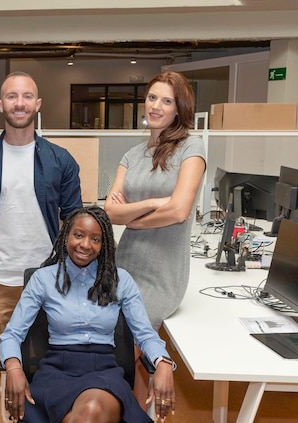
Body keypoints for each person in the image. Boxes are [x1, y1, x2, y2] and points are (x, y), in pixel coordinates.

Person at [0, 71, 83, 423]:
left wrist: (71, 272)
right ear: (1, 104)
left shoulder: (60, 160)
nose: (19, 103)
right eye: (12, 97)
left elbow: (74, 220)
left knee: (44, 359)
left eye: (27, 96)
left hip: (46, 279)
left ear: (37, 104)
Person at [0, 206, 176, 423]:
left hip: (103, 372)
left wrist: (163, 363)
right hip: (57, 371)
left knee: (90, 410)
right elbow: (11, 334)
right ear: (66, 237)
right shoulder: (43, 279)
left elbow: (145, 334)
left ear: (103, 245)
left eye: (95, 239)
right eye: (79, 235)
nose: (85, 245)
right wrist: (14, 367)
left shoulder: (120, 280)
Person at [104, 70, 206, 404]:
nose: (156, 106)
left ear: (179, 108)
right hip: (124, 265)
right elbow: (110, 212)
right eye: (152, 98)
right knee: (119, 354)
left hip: (162, 273)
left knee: (123, 354)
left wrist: (133, 218)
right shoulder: (132, 155)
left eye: (166, 100)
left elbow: (179, 211)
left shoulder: (192, 147)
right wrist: (152, 203)